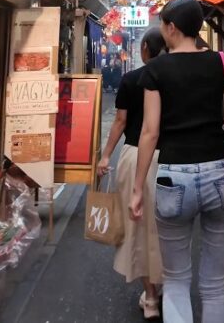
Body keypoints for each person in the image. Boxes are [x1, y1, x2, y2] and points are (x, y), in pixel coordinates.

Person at [129, 0, 224, 323]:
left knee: (176, 280)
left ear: (171, 28)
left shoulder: (155, 70)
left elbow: (149, 132)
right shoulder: (222, 62)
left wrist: (136, 189)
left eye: (162, 24)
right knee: (215, 283)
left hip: (174, 178)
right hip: (222, 173)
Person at [97, 28, 168, 319]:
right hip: (171, 160)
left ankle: (151, 297)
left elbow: (120, 123)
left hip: (135, 156)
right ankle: (165, 286)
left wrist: (104, 155)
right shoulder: (172, 79)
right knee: (167, 229)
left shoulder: (130, 79)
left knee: (138, 229)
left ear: (145, 50)